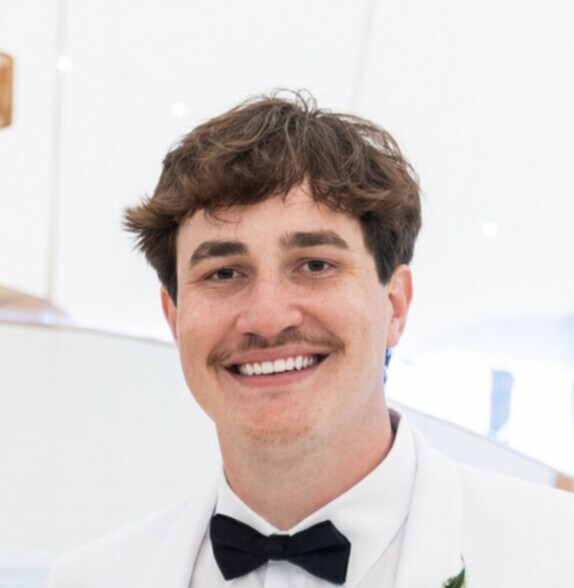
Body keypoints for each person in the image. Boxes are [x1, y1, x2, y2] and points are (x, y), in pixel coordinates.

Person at [48, 92, 574, 587]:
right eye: (224, 273)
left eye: (315, 265)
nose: (268, 318)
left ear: (395, 305)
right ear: (174, 318)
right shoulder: (90, 579)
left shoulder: (558, 554)